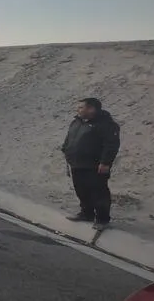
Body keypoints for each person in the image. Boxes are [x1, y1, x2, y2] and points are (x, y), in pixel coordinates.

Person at [61, 98, 120, 231]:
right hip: (76, 163)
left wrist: (105, 162)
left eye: (81, 107)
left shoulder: (106, 124)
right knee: (81, 191)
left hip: (95, 166)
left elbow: (111, 145)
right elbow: (70, 136)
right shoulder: (76, 121)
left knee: (99, 193)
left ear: (91, 109)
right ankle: (86, 213)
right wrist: (65, 148)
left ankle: (102, 219)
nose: (78, 110)